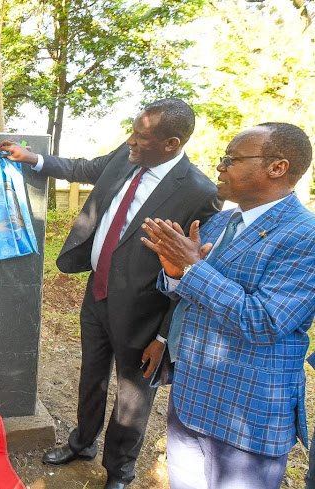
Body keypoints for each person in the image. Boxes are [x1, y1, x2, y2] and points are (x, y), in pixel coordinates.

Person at [0, 98, 220, 489]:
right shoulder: (129, 154)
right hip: (97, 294)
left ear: (172, 143)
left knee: (132, 400)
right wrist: (33, 159)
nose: (131, 141)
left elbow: (194, 274)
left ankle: (119, 471)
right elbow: (85, 168)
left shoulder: (200, 193)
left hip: (144, 313)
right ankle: (82, 442)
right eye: (132, 131)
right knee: (92, 376)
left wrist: (165, 336)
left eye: (141, 136)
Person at [141, 122, 315, 489]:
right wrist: (175, 273)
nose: (219, 167)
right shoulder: (220, 222)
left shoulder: (305, 236)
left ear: (277, 167)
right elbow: (191, 293)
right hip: (190, 401)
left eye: (231, 159)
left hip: (245, 417)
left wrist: (192, 268)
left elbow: (264, 321)